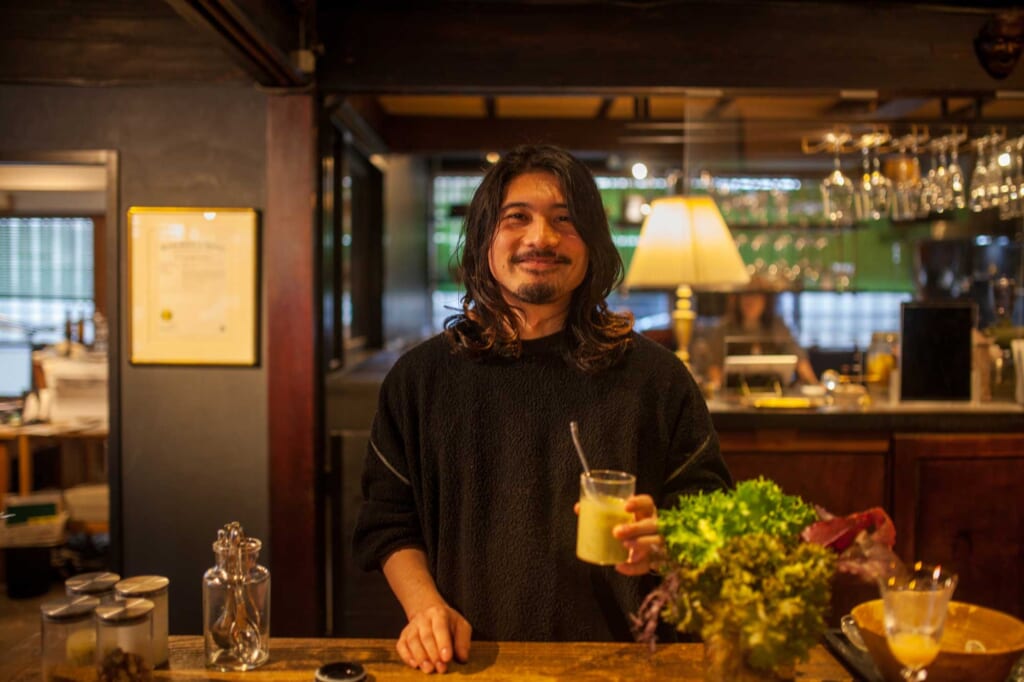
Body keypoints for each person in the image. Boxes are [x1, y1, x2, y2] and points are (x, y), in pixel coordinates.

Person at [352, 144, 732, 674]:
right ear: (484, 239)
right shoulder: (421, 379)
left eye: (564, 220)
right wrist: (426, 608)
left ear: (593, 243)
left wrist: (669, 542)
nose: (541, 238)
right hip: (470, 662)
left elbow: (716, 516)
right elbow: (389, 522)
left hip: (629, 663)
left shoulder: (656, 378)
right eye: (517, 218)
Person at [702, 281, 818, 389]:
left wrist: (814, 385)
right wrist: (716, 386)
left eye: (756, 297)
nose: (750, 302)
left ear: (766, 300)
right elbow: (714, 366)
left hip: (773, 394)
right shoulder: (724, 328)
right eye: (746, 296)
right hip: (733, 395)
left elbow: (799, 359)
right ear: (737, 299)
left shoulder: (777, 326)